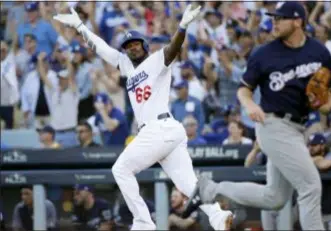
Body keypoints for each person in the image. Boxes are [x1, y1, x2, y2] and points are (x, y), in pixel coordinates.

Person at [54, 5, 233, 231]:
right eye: (128, 46)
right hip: (166, 132)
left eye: (136, 44)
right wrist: (80, 26)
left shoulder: (157, 59)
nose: (132, 48)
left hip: (159, 128)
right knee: (188, 184)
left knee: (120, 170)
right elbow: (102, 49)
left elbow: (173, 49)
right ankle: (218, 216)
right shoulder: (128, 66)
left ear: (144, 46)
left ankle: (143, 223)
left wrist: (182, 27)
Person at [183, 2, 331, 230]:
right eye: (273, 18)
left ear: (297, 21)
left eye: (280, 18)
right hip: (273, 124)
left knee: (274, 197)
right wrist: (248, 105)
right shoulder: (264, 54)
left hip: (298, 128)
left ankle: (211, 190)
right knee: (311, 186)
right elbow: (243, 89)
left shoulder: (319, 52)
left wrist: (324, 106)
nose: (274, 22)